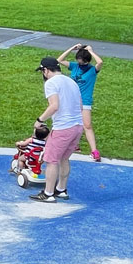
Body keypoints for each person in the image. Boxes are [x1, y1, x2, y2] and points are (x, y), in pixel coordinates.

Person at [31, 57, 84, 203]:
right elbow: (80, 106)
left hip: (63, 127)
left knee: (51, 160)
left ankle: (48, 193)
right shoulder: (71, 82)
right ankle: (61, 189)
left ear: (46, 70)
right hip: (77, 126)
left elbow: (54, 106)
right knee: (64, 159)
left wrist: (40, 120)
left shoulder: (51, 83)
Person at [57, 42, 103, 162]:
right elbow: (59, 60)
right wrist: (72, 48)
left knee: (87, 125)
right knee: (71, 123)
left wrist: (91, 51)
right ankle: (74, 145)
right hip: (72, 99)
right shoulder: (74, 66)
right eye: (79, 61)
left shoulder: (93, 70)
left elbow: (100, 62)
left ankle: (94, 151)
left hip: (85, 101)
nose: (80, 63)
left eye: (82, 62)